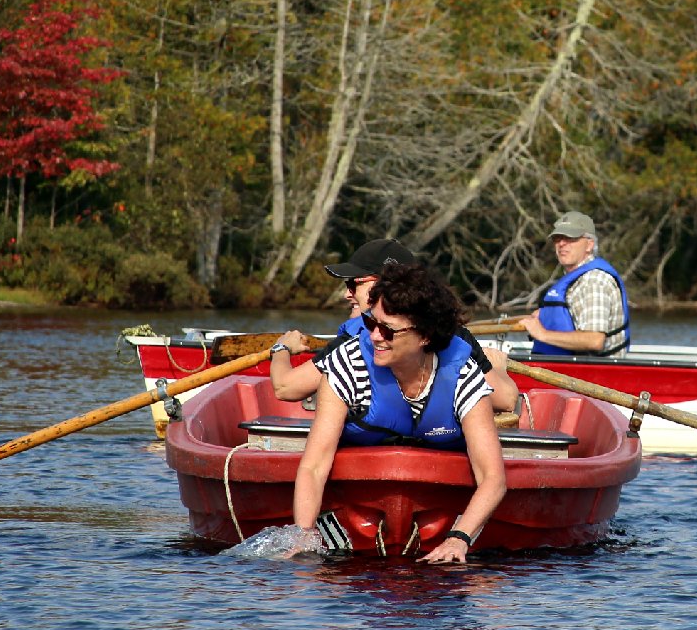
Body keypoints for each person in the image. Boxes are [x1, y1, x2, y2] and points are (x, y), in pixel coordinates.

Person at [292, 262, 507, 564]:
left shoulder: (462, 375)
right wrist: (303, 534)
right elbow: (314, 467)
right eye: (370, 322)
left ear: (425, 336)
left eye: (388, 330)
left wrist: (459, 539)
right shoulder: (346, 364)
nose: (374, 336)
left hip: (447, 508)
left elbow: (493, 477)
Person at [270, 236, 520, 415]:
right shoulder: (455, 334)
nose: (347, 294)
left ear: (386, 284)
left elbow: (285, 387)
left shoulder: (360, 335)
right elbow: (506, 398)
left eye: (354, 284)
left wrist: (281, 349)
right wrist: (499, 369)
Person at [518, 210, 630, 356]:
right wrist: (546, 315)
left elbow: (594, 340)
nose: (561, 244)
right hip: (563, 366)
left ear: (589, 245)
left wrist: (542, 333)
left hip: (593, 369)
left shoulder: (594, 281)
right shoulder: (576, 279)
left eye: (570, 238)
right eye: (557, 238)